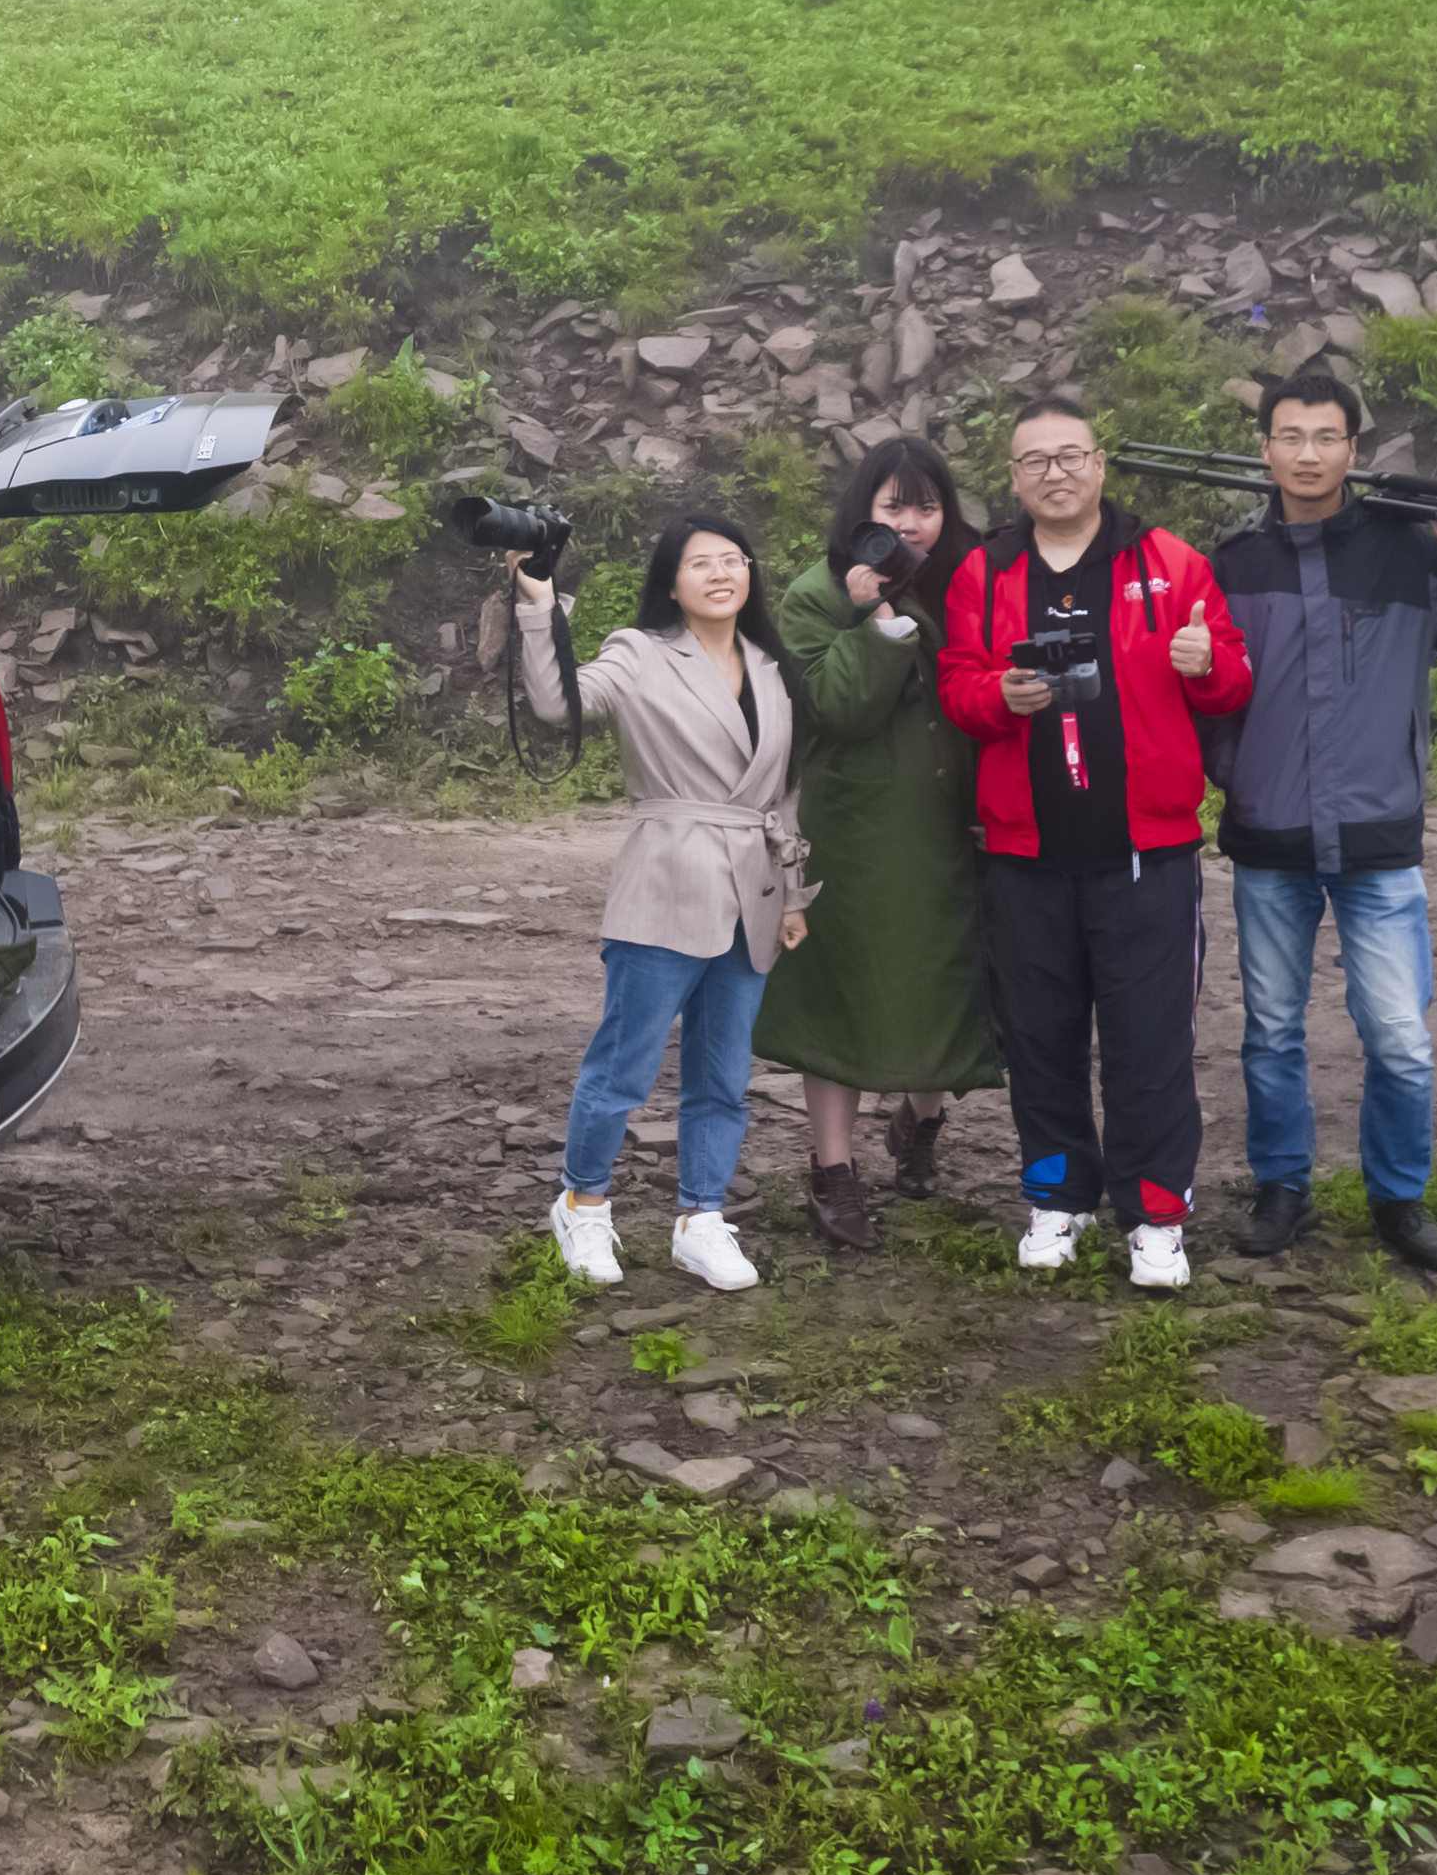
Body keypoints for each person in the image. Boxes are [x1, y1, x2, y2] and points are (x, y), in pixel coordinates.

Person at [1205, 363, 1437, 1275]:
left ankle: (1398, 1198)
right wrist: (1229, 770)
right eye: (1290, 437)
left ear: (1354, 448)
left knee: (1400, 1036)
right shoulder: (1233, 564)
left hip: (1379, 838)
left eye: (1327, 437)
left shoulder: (1411, 551)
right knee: (1270, 1029)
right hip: (1269, 837)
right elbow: (1209, 693)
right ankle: (1283, 1189)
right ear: (1265, 449)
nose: (1308, 454)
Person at [938, 397, 1243, 1289]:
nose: (1055, 473)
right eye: (1035, 460)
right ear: (1014, 478)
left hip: (1147, 852)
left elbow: (1230, 680)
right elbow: (958, 690)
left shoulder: (1170, 563)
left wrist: (1208, 666)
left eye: (1070, 455)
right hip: (1025, 855)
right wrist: (1004, 698)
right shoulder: (984, 574)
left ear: (1101, 463)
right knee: (1039, 1038)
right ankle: (1055, 1198)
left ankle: (1157, 1214)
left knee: (1151, 1042)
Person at [506, 510, 813, 1295]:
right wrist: (537, 601)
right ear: (671, 584)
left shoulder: (774, 669)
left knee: (724, 1073)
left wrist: (793, 894)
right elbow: (556, 705)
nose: (721, 572)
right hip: (666, 877)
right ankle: (583, 1202)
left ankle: (700, 1219)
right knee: (625, 1063)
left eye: (734, 559)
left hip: (754, 887)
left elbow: (784, 794)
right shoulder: (641, 654)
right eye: (700, 562)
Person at [757, 436, 998, 1253]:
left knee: (944, 978)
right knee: (843, 993)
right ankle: (833, 1173)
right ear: (863, 512)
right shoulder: (815, 596)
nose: (912, 523)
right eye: (894, 506)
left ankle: (920, 1123)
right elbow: (835, 708)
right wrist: (877, 622)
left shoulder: (972, 585)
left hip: (953, 824)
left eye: (926, 506)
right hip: (854, 831)